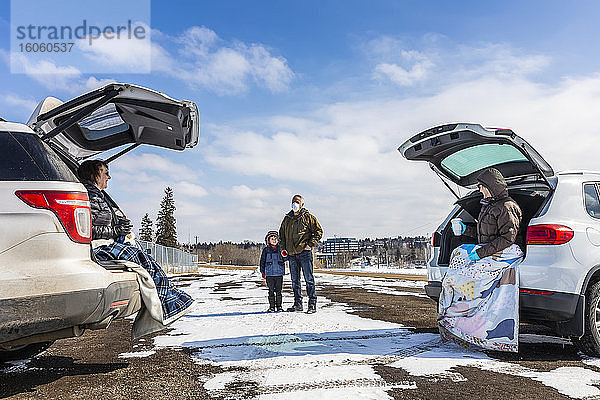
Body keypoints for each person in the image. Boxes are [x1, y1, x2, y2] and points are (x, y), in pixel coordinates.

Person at [78, 159, 195, 335]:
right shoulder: (90, 195)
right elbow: (87, 228)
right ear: (93, 174)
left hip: (105, 243)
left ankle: (168, 302)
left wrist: (119, 230)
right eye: (105, 172)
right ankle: (169, 304)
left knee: (143, 259)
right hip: (96, 247)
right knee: (142, 259)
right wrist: (116, 230)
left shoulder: (98, 195)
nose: (109, 177)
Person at [438, 167, 524, 352]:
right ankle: (459, 321)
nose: (479, 190)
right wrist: (465, 230)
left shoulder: (507, 207)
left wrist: (481, 253)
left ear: (491, 186)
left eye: (481, 186)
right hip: (490, 250)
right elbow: (484, 236)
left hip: (506, 252)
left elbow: (508, 239)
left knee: (464, 278)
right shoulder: (489, 206)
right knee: (457, 261)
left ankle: (464, 320)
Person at [279, 194, 323, 314]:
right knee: (295, 281)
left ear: (302, 204)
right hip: (292, 255)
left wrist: (310, 245)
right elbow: (281, 235)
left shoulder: (308, 217)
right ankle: (298, 304)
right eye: (293, 201)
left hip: (305, 253)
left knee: (309, 279)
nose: (295, 204)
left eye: (297, 201)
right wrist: (283, 248)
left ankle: (312, 304)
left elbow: (318, 232)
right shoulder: (287, 219)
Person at [259, 231, 286, 312]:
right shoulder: (266, 250)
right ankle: (271, 307)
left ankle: (279, 306)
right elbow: (262, 261)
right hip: (269, 274)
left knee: (279, 291)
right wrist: (263, 272)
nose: (274, 240)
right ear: (268, 240)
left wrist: (285, 255)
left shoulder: (281, 249)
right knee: (271, 291)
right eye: (272, 239)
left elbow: (285, 258)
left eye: (275, 239)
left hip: (279, 274)